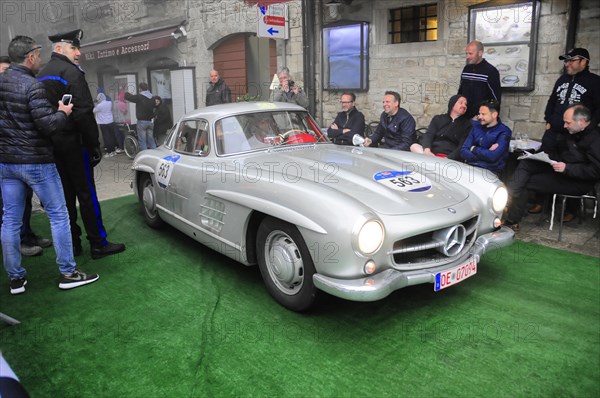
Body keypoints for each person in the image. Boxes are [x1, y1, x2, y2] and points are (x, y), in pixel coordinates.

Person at [0, 35, 99, 294]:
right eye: (38, 55)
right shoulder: (31, 86)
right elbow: (48, 125)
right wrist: (62, 113)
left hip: (7, 164)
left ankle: (16, 279)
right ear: (31, 56)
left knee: (9, 220)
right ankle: (68, 272)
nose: (40, 60)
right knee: (59, 215)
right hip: (36, 161)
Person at [37, 29, 126, 259]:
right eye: (74, 48)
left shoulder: (41, 74)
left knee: (64, 197)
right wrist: (94, 144)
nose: (79, 52)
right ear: (59, 49)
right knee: (86, 194)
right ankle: (98, 243)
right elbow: (84, 112)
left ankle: (73, 245)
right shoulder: (72, 73)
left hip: (53, 145)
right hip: (75, 144)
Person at [503, 104, 600, 231]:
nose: (565, 126)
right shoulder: (572, 132)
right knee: (526, 162)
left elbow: (596, 171)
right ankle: (509, 196)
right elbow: (562, 153)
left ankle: (511, 219)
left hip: (577, 181)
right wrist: (545, 157)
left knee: (526, 182)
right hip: (560, 168)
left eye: (568, 123)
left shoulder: (595, 139)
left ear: (581, 121)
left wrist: (567, 168)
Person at [528, 48, 600, 220]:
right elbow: (552, 100)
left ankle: (570, 210)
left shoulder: (594, 82)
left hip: (574, 135)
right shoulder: (562, 79)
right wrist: (548, 120)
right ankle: (540, 201)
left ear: (584, 62)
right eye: (566, 61)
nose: (567, 64)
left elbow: (598, 108)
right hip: (553, 133)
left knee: (571, 165)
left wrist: (589, 128)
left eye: (571, 61)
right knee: (545, 162)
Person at [0, 55, 53, 257]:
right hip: (7, 160)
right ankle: (17, 246)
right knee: (9, 210)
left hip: (22, 156)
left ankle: (27, 234)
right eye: (3, 72)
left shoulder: (21, 90)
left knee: (24, 201)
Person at [410, 94, 471, 160]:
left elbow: (462, 147)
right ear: (452, 103)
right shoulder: (438, 118)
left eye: (466, 104)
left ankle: (435, 162)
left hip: (449, 158)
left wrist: (447, 158)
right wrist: (427, 150)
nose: (464, 106)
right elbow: (429, 135)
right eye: (461, 103)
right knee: (414, 146)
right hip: (432, 154)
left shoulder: (467, 125)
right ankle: (433, 160)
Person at [460, 99, 512, 176]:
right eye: (479, 113)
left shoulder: (504, 132)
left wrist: (473, 148)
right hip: (469, 168)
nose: (479, 117)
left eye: (483, 114)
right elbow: (463, 151)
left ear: (494, 115)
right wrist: (486, 153)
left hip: (490, 171)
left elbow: (492, 157)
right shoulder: (475, 128)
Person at [457, 40, 502, 119]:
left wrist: (483, 117)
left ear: (480, 53)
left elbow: (495, 100)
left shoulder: (491, 71)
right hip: (463, 118)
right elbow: (460, 92)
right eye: (466, 53)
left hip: (480, 120)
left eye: (470, 53)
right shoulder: (466, 69)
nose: (467, 57)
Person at [124, 82, 157, 151]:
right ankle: (155, 154)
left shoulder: (139, 97)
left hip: (142, 122)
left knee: (142, 140)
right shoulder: (152, 97)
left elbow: (130, 97)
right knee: (151, 139)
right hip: (150, 121)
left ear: (140, 88)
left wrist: (125, 92)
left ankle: (144, 156)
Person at [93, 92, 123, 158]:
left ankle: (109, 152)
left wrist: (95, 103)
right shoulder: (109, 103)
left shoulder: (99, 105)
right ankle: (114, 150)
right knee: (111, 136)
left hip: (103, 123)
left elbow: (94, 110)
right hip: (110, 121)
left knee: (106, 138)